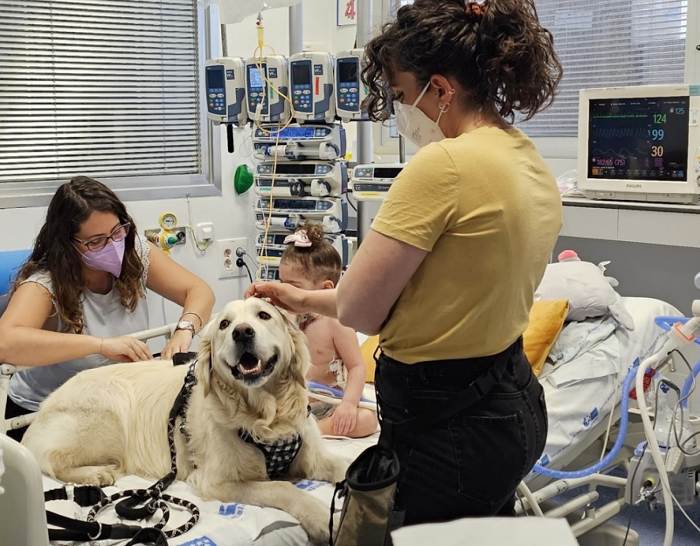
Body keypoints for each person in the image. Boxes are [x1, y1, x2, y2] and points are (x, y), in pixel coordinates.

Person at [247, 0, 563, 529]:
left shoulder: (443, 165)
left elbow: (364, 310)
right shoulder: (523, 154)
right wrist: (301, 298)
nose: (399, 109)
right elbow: (427, 294)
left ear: (440, 89)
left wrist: (332, 301)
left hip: (448, 423)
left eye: (400, 94)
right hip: (510, 405)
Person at [0, 176, 215, 442]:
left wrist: (184, 329)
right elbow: (6, 342)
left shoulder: (133, 251)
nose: (112, 245)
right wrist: (100, 345)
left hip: (114, 399)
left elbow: (198, 291)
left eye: (116, 232)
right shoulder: (46, 284)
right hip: (45, 414)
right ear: (68, 244)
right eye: (95, 242)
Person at [278, 224, 378, 438]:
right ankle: (291, 432)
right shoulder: (283, 319)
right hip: (293, 403)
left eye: (292, 286)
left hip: (328, 403)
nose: (283, 292)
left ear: (325, 290)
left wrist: (349, 405)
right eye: (281, 283)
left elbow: (357, 367)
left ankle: (305, 435)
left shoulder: (336, 323)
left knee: (368, 420)